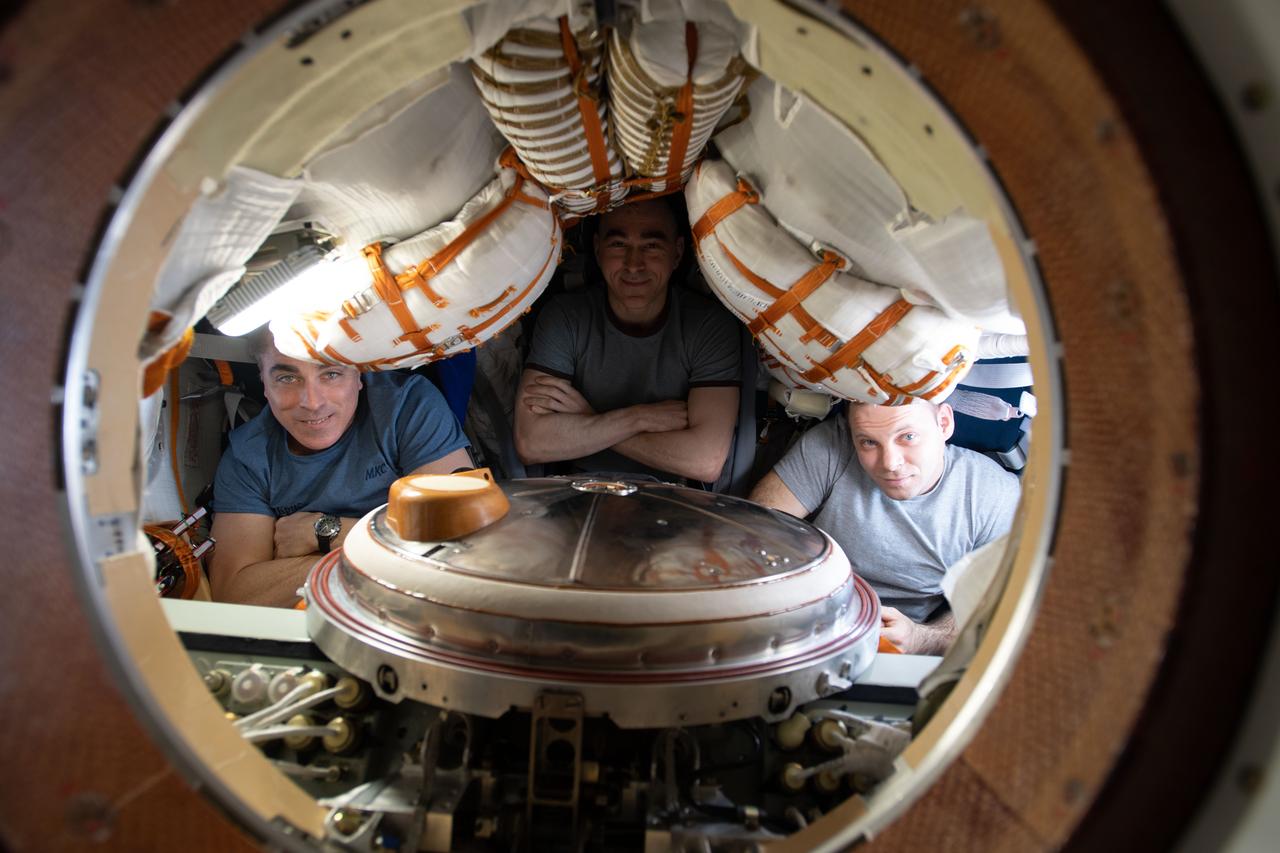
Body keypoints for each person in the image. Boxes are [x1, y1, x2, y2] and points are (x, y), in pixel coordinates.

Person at [208, 336, 472, 607]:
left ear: (359, 374)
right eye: (287, 378)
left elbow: (461, 544)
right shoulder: (247, 456)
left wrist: (324, 533)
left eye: (331, 374)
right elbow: (234, 594)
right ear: (264, 382)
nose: (312, 402)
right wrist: (390, 551)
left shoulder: (406, 405)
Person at [749, 398, 1021, 655]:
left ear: (944, 423)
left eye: (908, 437)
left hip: (904, 649)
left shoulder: (994, 494)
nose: (890, 463)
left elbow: (997, 608)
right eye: (868, 442)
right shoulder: (832, 445)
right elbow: (754, 536)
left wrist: (922, 638)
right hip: (805, 617)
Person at [513, 197, 740, 483]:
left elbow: (705, 461)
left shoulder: (708, 325)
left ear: (677, 253)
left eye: (652, 246)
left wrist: (589, 417)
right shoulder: (566, 316)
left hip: (674, 494)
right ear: (598, 250)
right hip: (579, 487)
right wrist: (638, 418)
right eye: (619, 244)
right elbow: (532, 442)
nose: (634, 264)